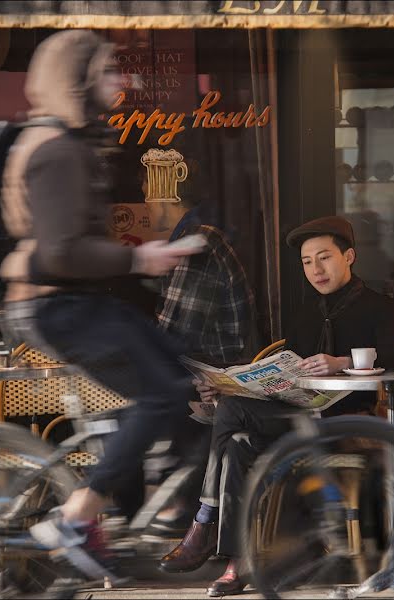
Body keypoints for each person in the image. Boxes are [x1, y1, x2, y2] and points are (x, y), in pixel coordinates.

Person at [0, 30, 201, 580]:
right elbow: (62, 252)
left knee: (180, 371)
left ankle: (169, 506)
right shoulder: (57, 151)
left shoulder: (69, 141)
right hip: (58, 305)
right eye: (111, 71)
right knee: (161, 394)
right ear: (80, 79)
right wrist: (139, 259)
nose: (124, 80)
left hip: (77, 302)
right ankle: (79, 515)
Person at [158, 215, 394, 596]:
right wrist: (231, 388)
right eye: (307, 262)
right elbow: (289, 372)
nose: (315, 269)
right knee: (236, 438)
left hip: (348, 421)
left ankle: (206, 523)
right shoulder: (305, 312)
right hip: (299, 419)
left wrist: (339, 363)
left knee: (234, 425)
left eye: (324, 258)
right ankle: (237, 560)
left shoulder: (381, 307)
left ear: (350, 256)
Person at [144, 186, 259, 537]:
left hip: (218, 375)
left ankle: (183, 510)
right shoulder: (193, 239)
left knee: (153, 399)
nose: (147, 208)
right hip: (209, 369)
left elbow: (176, 328)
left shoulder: (198, 243)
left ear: (166, 198)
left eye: (149, 198)